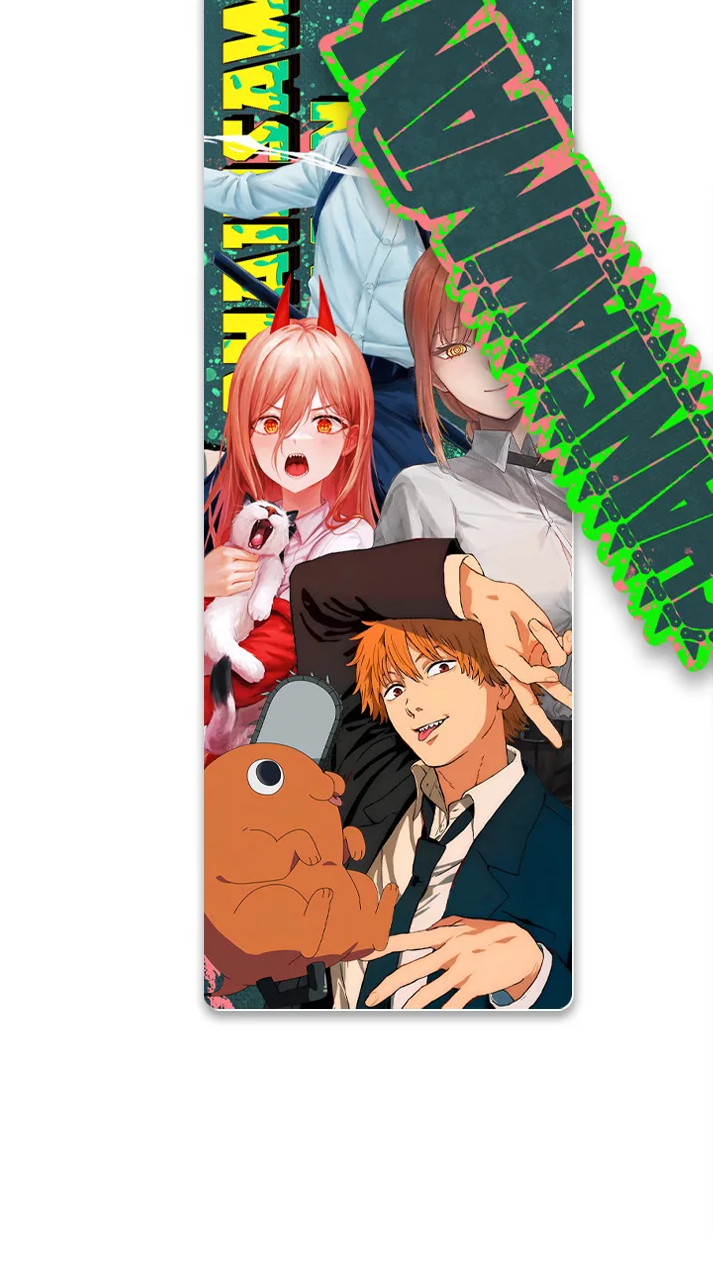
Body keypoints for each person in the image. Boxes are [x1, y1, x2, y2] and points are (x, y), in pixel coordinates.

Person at [287, 540, 573, 1011]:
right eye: (394, 688)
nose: (412, 704)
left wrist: (532, 977)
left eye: (439, 668)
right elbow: (316, 593)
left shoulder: (565, 848)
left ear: (502, 686)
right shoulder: (375, 768)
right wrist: (469, 591)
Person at [374, 248, 575, 802]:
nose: (491, 357)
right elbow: (391, 655)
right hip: (523, 767)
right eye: (455, 348)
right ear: (435, 378)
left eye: (505, 327)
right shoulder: (429, 493)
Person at [205, 129, 449, 499]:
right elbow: (246, 195)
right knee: (236, 498)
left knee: (410, 504)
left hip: (393, 389)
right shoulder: (340, 153)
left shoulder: (457, 187)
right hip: (317, 371)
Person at [202, 290, 378, 749]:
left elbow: (287, 641)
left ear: (351, 437)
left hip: (279, 718)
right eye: (271, 423)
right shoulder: (230, 513)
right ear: (245, 430)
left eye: (323, 423)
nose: (294, 442)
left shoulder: (348, 536)